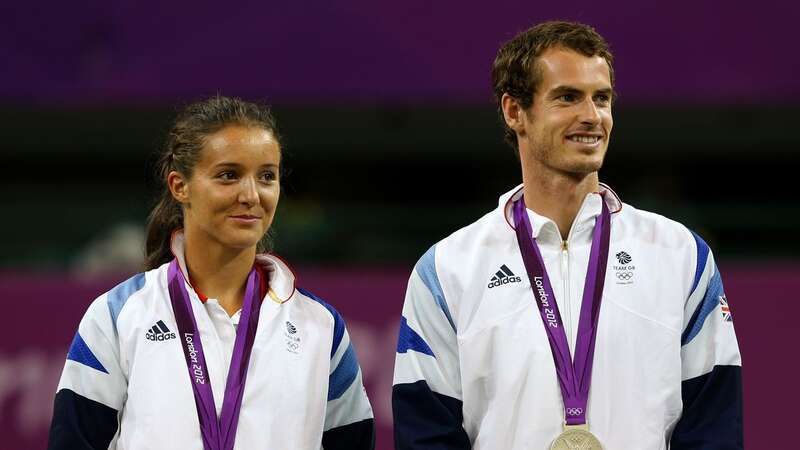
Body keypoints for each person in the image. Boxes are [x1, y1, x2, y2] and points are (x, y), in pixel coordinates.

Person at [392, 21, 742, 450]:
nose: (592, 116)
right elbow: (427, 434)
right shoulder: (447, 270)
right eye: (567, 98)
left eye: (602, 98)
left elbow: (714, 428)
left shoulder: (681, 255)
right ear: (514, 111)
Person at [48, 96, 375, 450]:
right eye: (228, 175)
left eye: (267, 176)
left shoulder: (322, 328)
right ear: (179, 186)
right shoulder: (118, 317)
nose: (251, 194)